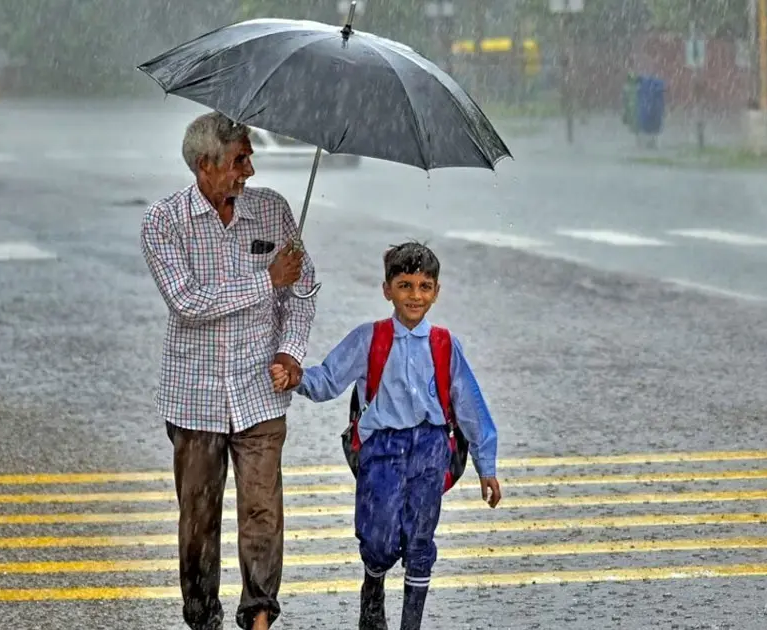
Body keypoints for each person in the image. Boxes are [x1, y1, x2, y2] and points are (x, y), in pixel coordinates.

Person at [140, 111, 317, 630]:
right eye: (241, 160)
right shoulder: (163, 221)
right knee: (198, 522)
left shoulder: (274, 211)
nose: (250, 172)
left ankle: (260, 616)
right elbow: (187, 302)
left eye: (250, 158)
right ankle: (202, 619)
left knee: (263, 514)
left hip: (260, 393)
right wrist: (267, 279)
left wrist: (291, 351)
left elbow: (303, 291)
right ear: (205, 165)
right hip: (193, 399)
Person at [269, 241, 501, 630]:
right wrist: (296, 378)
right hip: (381, 451)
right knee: (377, 540)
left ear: (437, 292)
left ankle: (411, 622)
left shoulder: (445, 345)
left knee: (420, 540)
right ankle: (373, 581)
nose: (415, 295)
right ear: (387, 290)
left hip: (430, 450)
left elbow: (471, 407)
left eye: (425, 286)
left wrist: (486, 465)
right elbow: (328, 379)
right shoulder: (369, 338)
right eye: (405, 285)